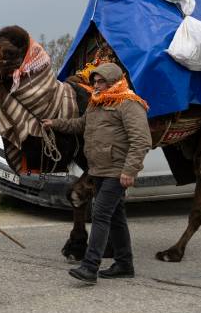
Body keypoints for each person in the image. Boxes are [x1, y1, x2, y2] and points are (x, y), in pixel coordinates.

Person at [42, 62, 151, 284]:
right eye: (95, 81)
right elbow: (81, 124)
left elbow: (142, 140)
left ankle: (90, 267)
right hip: (98, 169)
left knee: (100, 215)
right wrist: (55, 123)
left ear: (114, 81)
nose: (96, 85)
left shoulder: (129, 103)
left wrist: (130, 171)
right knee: (117, 218)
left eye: (101, 81)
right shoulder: (97, 102)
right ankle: (124, 264)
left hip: (116, 171)